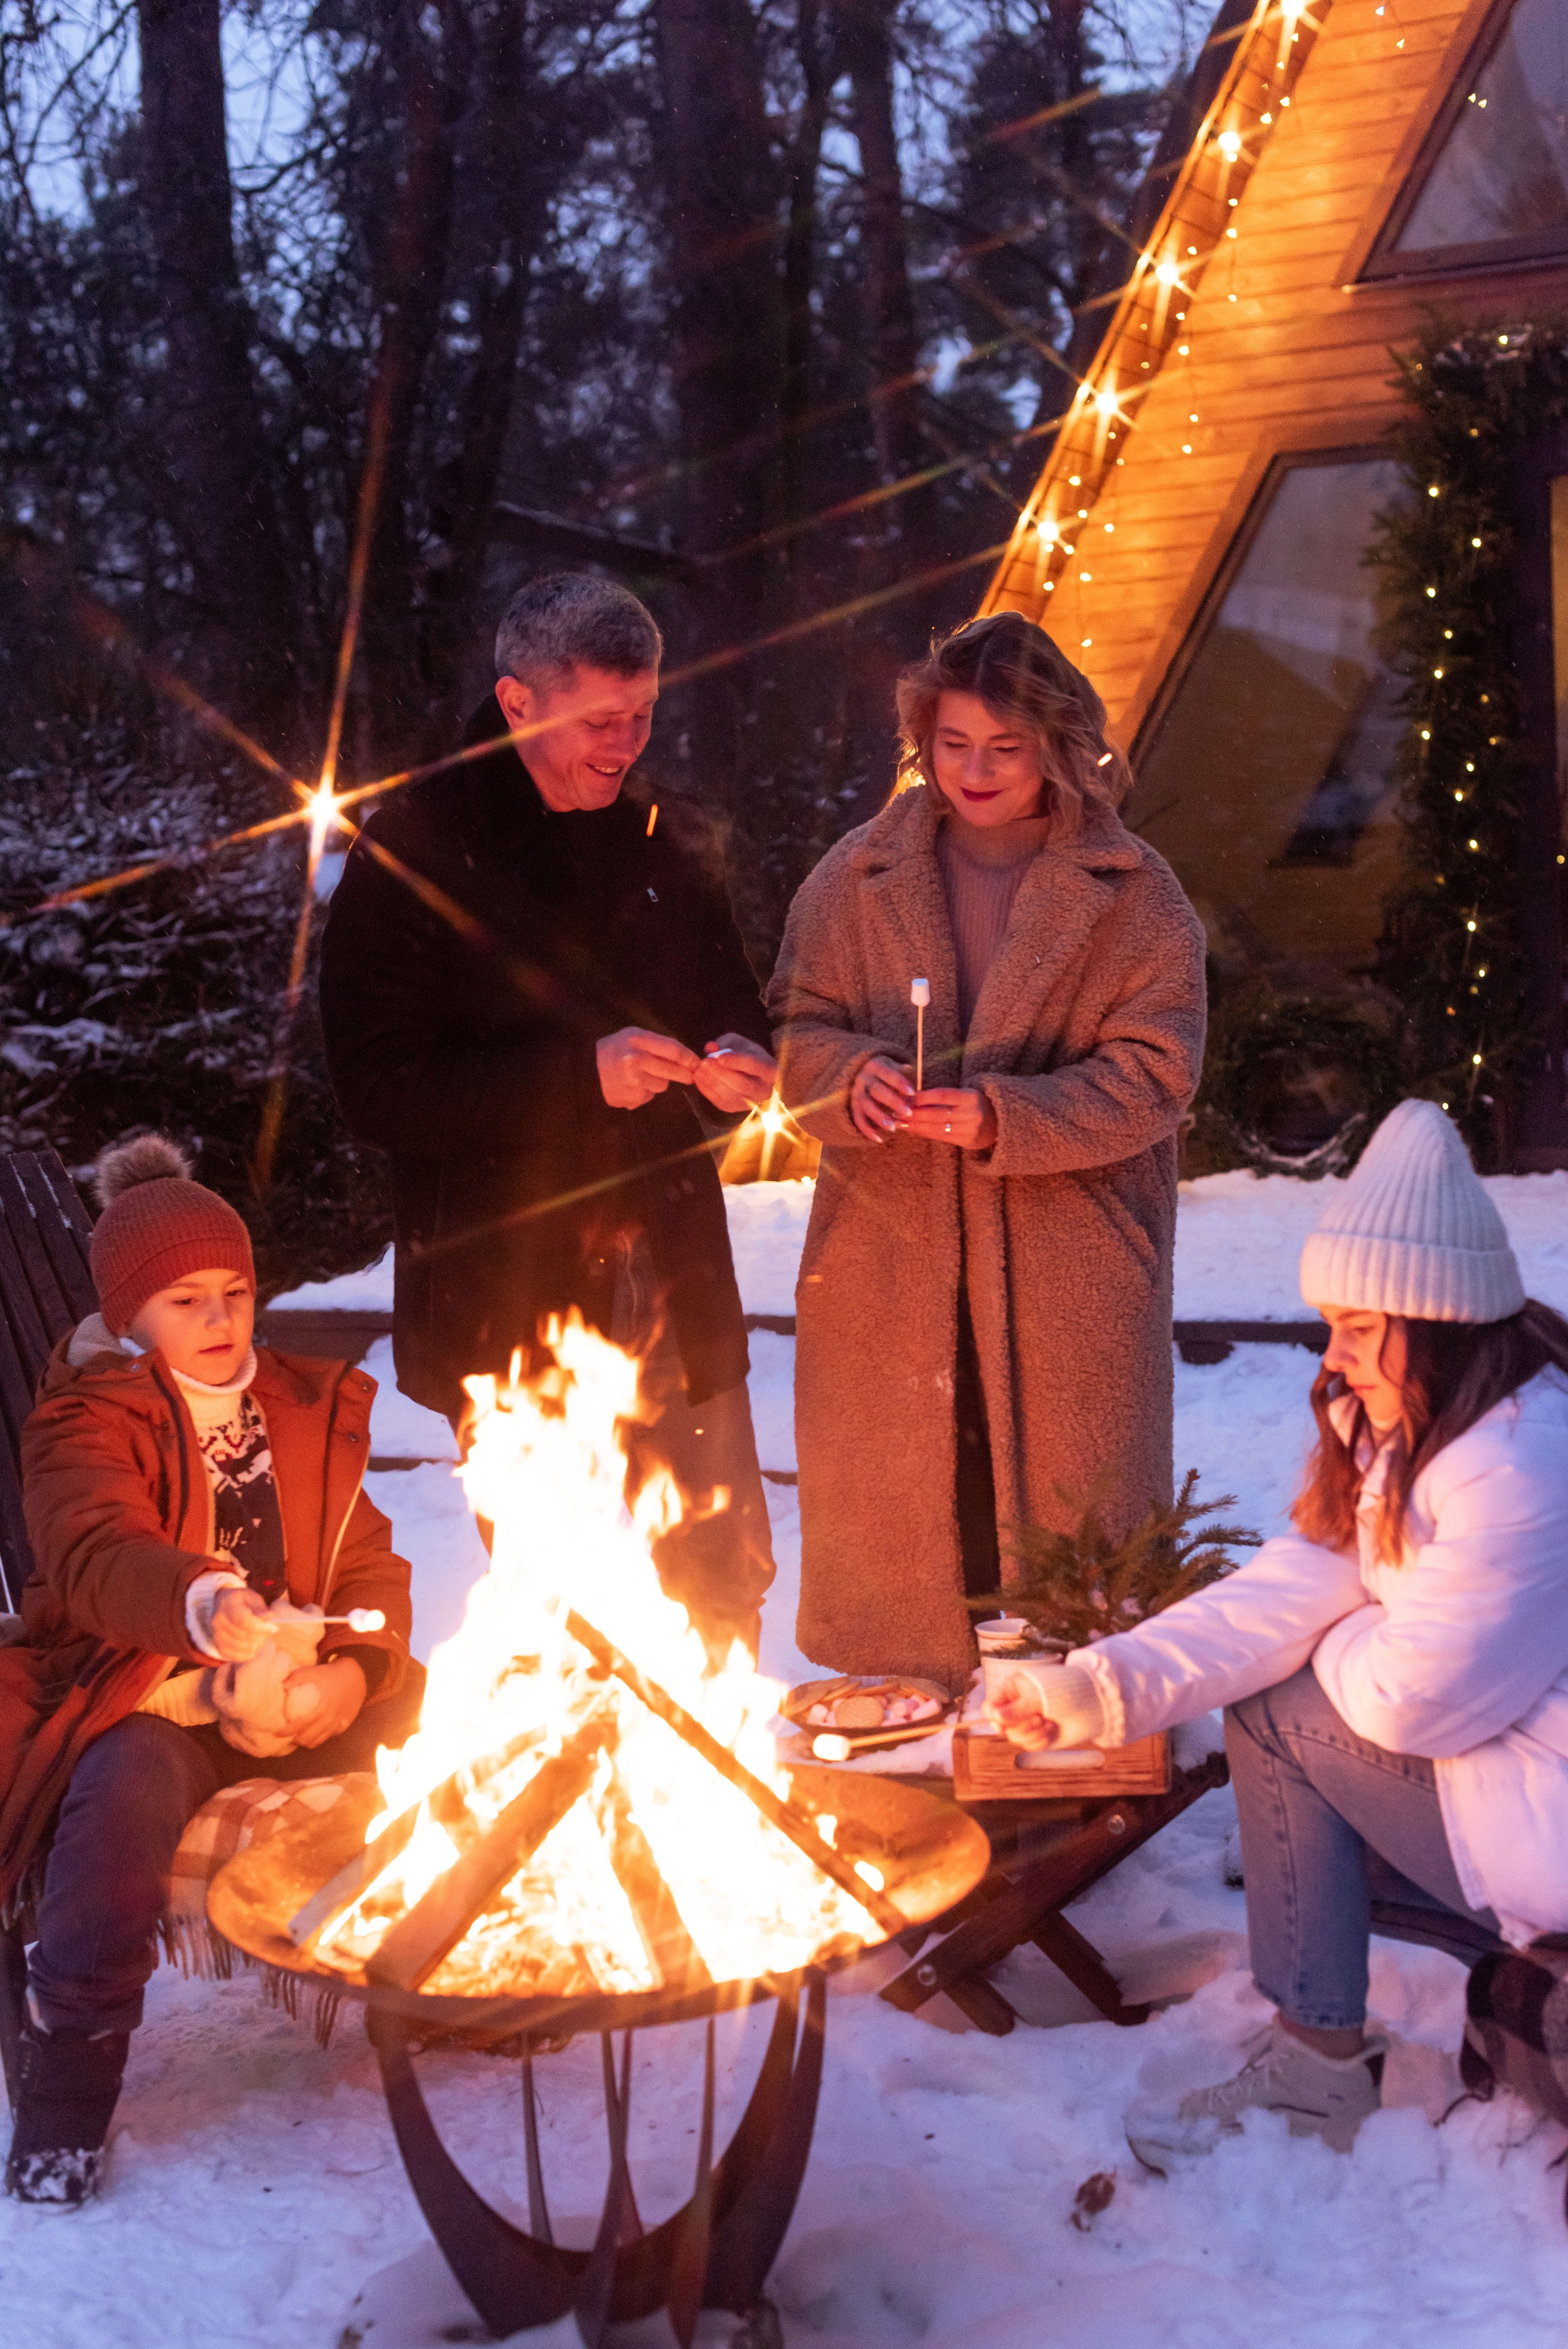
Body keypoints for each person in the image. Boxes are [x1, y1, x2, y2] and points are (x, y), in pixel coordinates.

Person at [989, 1098, 1568, 2165]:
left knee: (1277, 1708)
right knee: (1279, 1683)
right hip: (1518, 1787)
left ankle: (1315, 2068)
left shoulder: (1523, 1463)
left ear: (1428, 1319)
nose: (1331, 1354)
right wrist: (1098, 1683)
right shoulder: (1411, 1426)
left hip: (1551, 1826)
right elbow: (1287, 1592)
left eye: (1356, 1327)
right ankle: (1333, 2026)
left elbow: (1411, 1699)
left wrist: (1342, 1632)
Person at [320, 573, 778, 1657]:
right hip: (506, 1294)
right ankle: (571, 1797)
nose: (627, 745)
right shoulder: (417, 854)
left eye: (645, 715)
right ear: (520, 703)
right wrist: (581, 1080)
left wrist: (741, 1055)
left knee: (720, 1573)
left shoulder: (666, 842)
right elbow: (378, 1086)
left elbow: (730, 997)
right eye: (600, 721)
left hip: (671, 1267)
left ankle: (725, 1803)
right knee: (560, 1608)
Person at [766, 613, 1206, 1691]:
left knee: (1068, 1515)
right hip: (890, 1254)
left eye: (1004, 749)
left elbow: (1158, 1075)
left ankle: (1078, 1709)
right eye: (954, 744)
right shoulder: (855, 874)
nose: (975, 771)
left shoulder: (1134, 891)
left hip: (1070, 1257)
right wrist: (844, 1078)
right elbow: (797, 1025)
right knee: (914, 1481)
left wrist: (1009, 1116)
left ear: (1057, 744)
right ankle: (903, 1701)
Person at [1, 1136, 418, 2205]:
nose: (223, 1319)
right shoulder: (87, 1421)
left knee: (474, 1739)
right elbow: (97, 1550)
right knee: (120, 1799)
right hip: (144, 1689)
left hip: (292, 1685)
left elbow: (367, 1557)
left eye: (235, 1291)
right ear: (129, 1316)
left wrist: (349, 1681)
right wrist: (200, 1605)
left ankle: (460, 1981)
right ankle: (68, 2081)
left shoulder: (294, 1404)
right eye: (186, 1300)